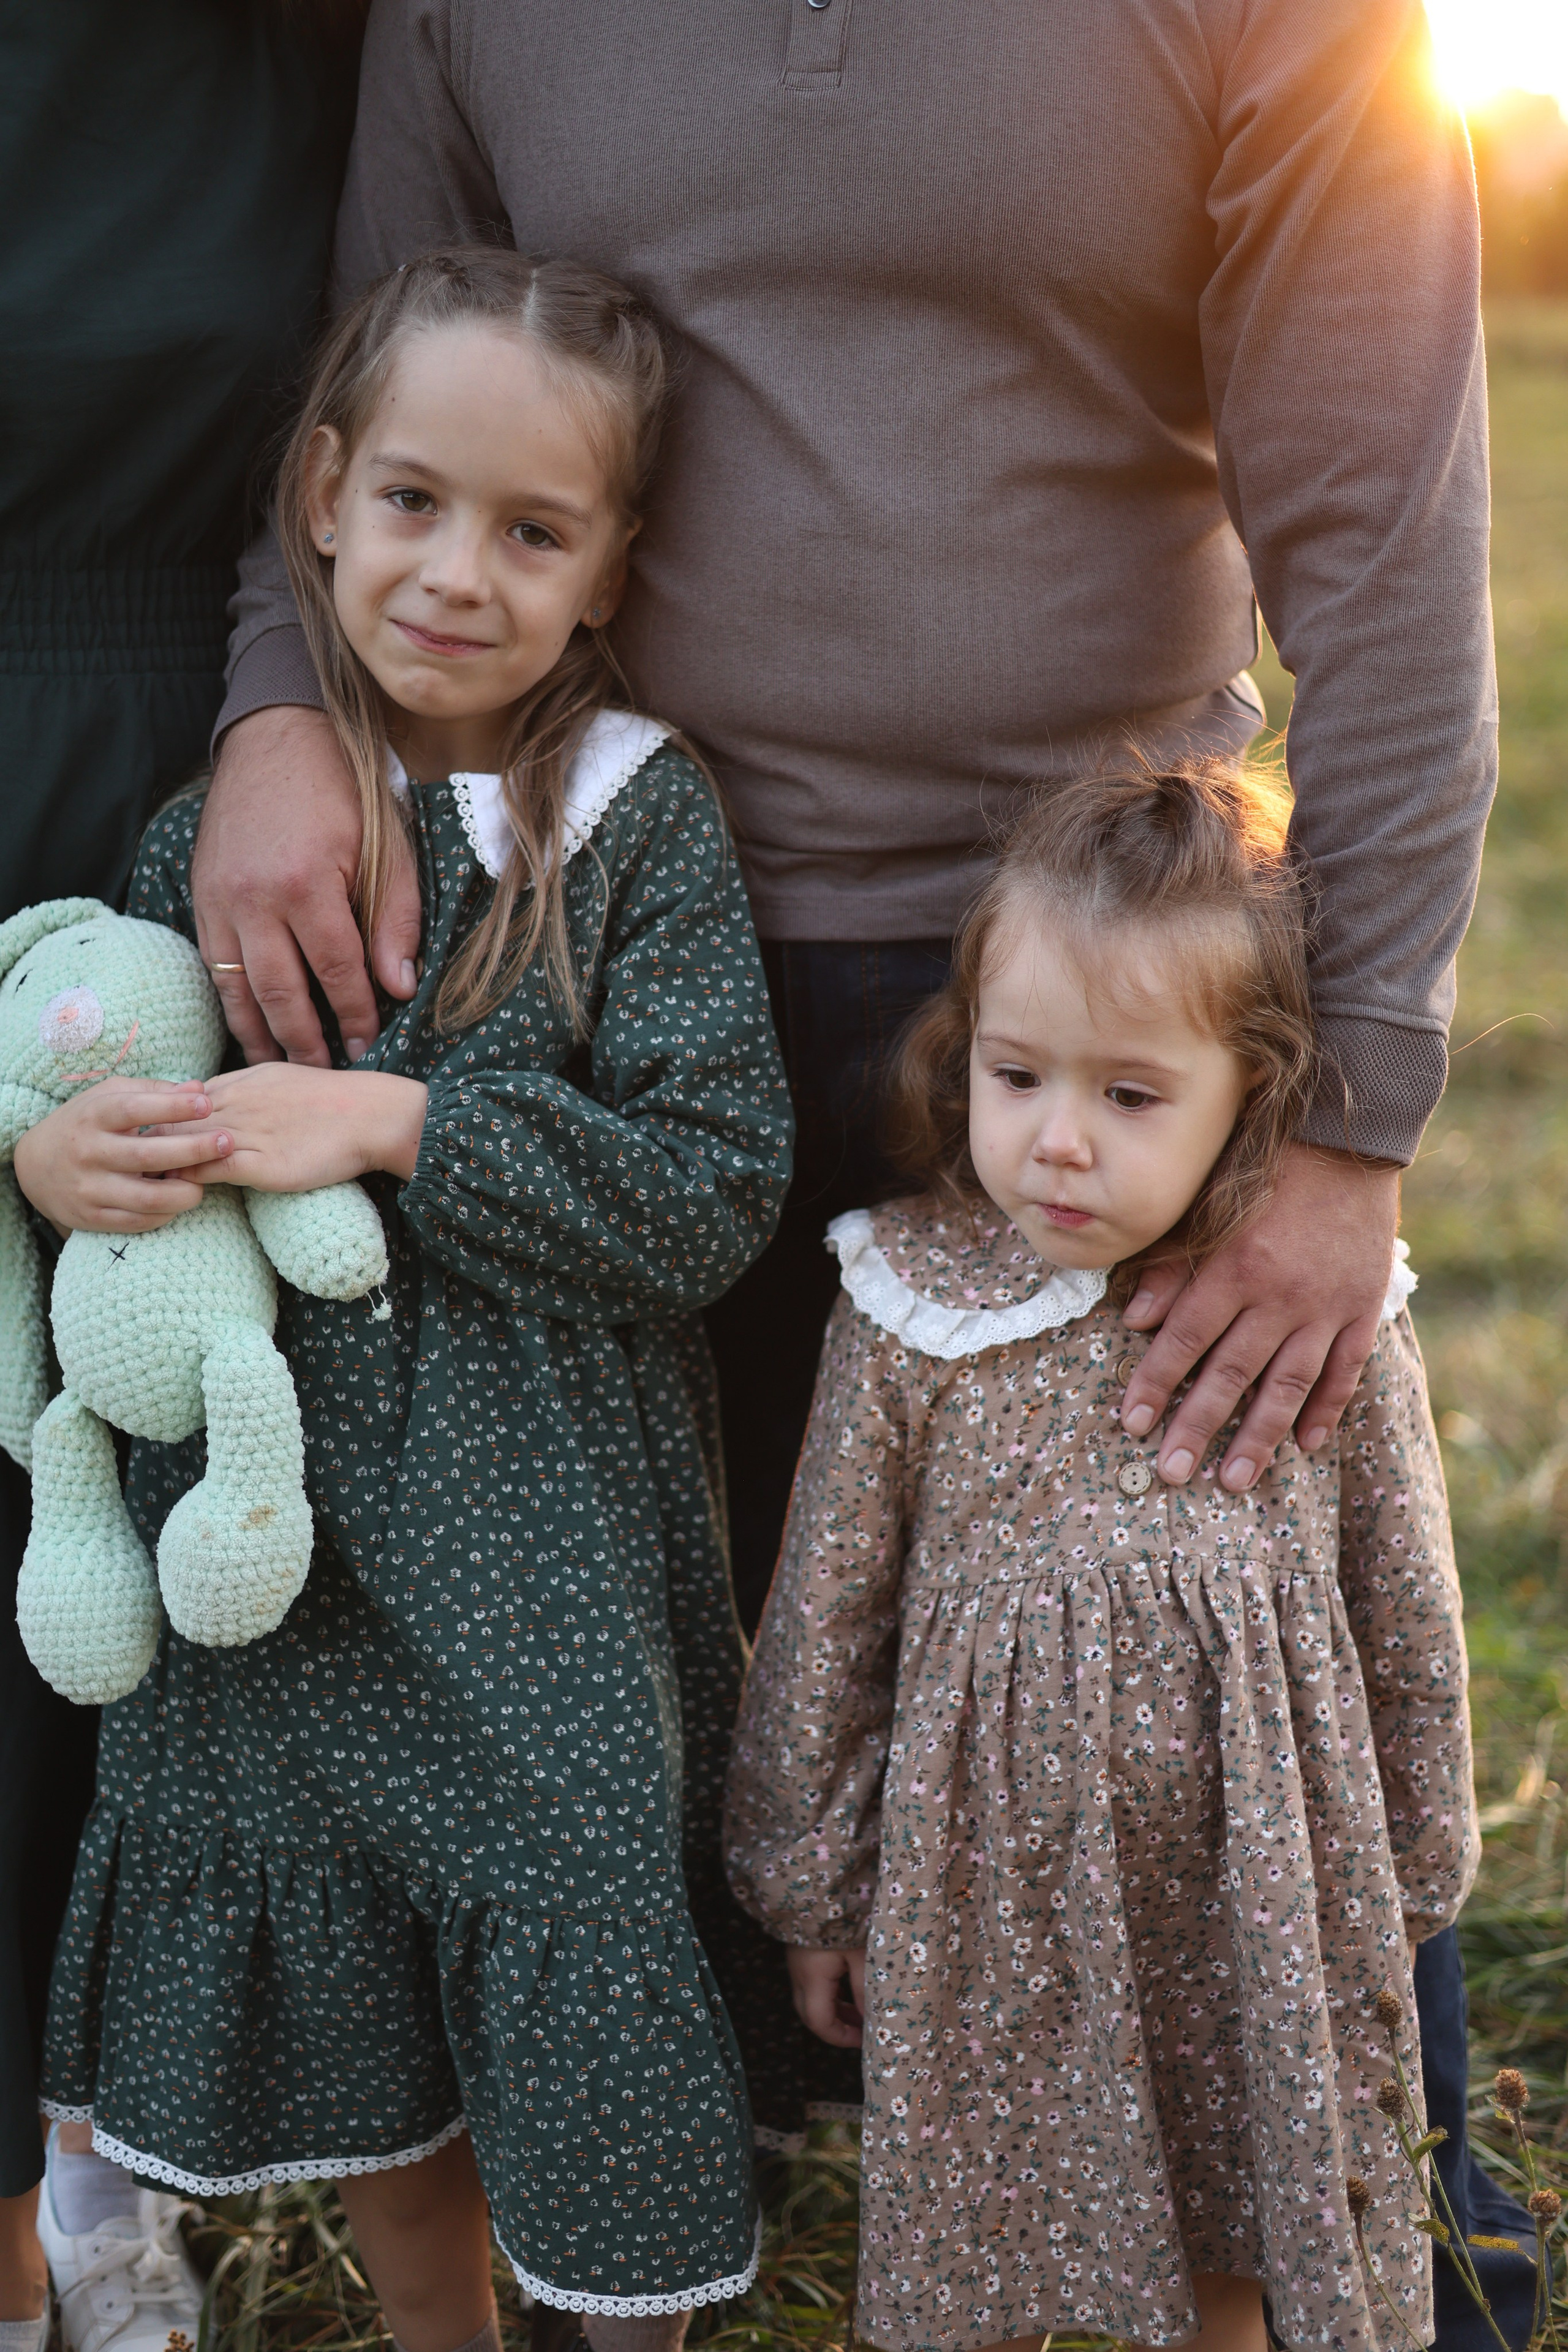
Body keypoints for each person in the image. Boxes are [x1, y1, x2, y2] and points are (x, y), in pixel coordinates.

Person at [187, 0, 1499, 2220]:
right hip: (601, 949)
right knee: (630, 1657)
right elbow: (365, 394)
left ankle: (1376, 2206)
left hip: (1085, 976)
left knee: (1198, 1630)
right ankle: (716, 2175)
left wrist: (1352, 1128)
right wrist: (271, 716)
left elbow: (1383, 534)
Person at [22, 249, 791, 2348]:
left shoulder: (635, 824)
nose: (462, 572)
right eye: (419, 504)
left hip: (536, 1567)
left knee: (570, 1955)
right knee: (362, 1983)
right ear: (327, 498)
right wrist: (53, 1162)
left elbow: (711, 1190)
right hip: (292, 1561)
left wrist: (393, 1127)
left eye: (535, 531)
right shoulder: (226, 832)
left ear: (613, 565)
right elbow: (118, 1101)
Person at [725, 760, 1480, 2352]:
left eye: (1130, 1097)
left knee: (1233, 2226)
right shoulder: (911, 1306)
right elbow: (828, 1609)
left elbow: (1404, 1604)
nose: (1058, 1143)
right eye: (1017, 1077)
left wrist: (1410, 1862)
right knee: (986, 2231)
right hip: (986, 1897)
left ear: (1253, 1093)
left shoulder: (1309, 1318)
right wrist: (813, 1886)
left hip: (1252, 1887)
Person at [0, 6, 358, 2348]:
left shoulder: (325, 46)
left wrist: (283, 700)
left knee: (185, 1481)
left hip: (223, 769)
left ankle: (114, 2153)